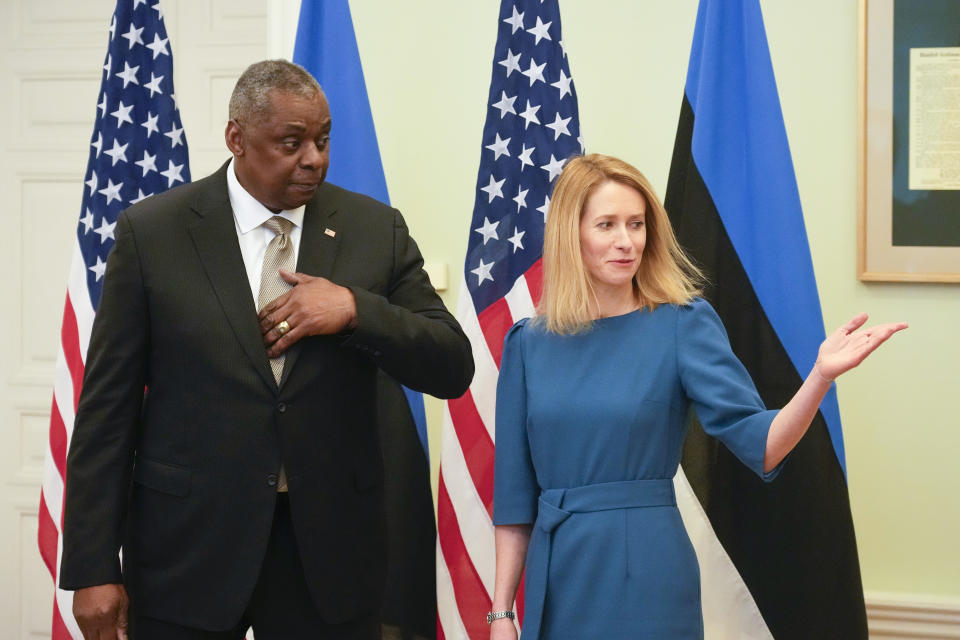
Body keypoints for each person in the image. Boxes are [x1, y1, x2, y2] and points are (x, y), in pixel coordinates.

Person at [60, 59, 474, 640]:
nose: (315, 158)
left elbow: (452, 364)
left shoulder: (372, 229)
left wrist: (356, 310)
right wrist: (92, 566)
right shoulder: (153, 233)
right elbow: (107, 412)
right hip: (188, 551)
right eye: (291, 142)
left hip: (327, 558)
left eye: (323, 140)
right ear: (237, 138)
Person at [488, 154, 906, 640]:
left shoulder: (683, 324)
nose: (628, 241)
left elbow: (762, 443)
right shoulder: (527, 344)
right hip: (557, 572)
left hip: (648, 569)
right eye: (607, 225)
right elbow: (515, 498)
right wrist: (502, 613)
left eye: (637, 224)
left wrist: (818, 378)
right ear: (570, 235)